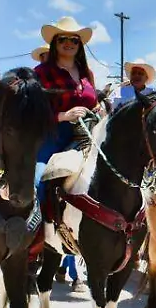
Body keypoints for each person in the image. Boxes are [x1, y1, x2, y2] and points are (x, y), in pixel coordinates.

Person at [32, 16, 103, 203]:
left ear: (79, 45)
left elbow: (92, 101)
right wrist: (63, 116)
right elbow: (32, 111)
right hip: (53, 134)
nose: (69, 43)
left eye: (74, 40)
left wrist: (98, 109)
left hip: (89, 133)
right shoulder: (41, 72)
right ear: (54, 43)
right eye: (62, 39)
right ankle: (33, 228)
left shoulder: (87, 73)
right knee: (37, 180)